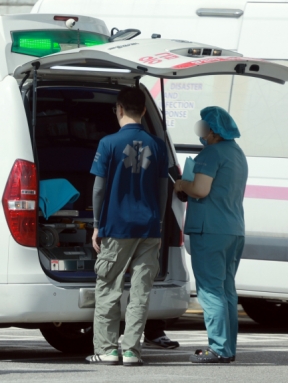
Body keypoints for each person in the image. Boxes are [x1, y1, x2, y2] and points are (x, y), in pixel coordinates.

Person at [86, 87, 168, 367]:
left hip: (117, 227)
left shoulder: (108, 143)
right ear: (144, 111)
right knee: (140, 290)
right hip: (149, 227)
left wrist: (97, 225)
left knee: (109, 287)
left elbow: (99, 189)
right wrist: (158, 221)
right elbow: (162, 190)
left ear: (118, 109)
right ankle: (132, 351)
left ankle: (107, 350)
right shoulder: (157, 145)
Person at [174, 106, 248, 364]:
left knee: (210, 291)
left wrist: (182, 184)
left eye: (204, 127)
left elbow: (201, 190)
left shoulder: (211, 153)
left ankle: (218, 348)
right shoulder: (237, 153)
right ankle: (227, 348)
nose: (201, 132)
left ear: (213, 131)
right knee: (227, 291)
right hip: (234, 230)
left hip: (210, 230)